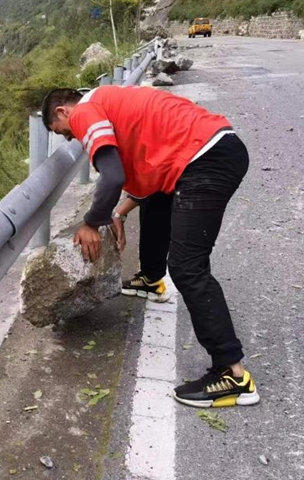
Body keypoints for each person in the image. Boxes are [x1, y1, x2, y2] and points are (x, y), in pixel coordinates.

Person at [41, 86, 259, 408]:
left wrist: (92, 222)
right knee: (158, 202)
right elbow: (151, 177)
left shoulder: (85, 112)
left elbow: (112, 176)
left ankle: (232, 375)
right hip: (212, 149)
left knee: (188, 267)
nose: (71, 139)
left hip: (204, 159)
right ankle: (151, 279)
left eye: (63, 133)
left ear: (62, 112)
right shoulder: (110, 100)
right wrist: (116, 213)